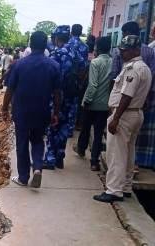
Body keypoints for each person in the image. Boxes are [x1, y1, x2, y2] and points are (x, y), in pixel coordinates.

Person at [94, 35, 152, 203]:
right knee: (128, 153)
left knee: (116, 154)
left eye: (125, 50)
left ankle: (114, 190)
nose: (122, 53)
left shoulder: (133, 69)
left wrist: (115, 118)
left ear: (135, 50)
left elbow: (127, 95)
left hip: (124, 115)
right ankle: (125, 186)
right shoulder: (144, 68)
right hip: (136, 113)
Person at [2, 31, 61, 188]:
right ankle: (37, 168)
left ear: (30, 44)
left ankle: (23, 177)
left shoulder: (19, 65)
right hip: (42, 111)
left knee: (22, 143)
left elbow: (10, 89)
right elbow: (57, 93)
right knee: (37, 140)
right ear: (45, 46)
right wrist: (56, 112)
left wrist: (4, 109)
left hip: (21, 111)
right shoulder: (54, 66)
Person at [112, 22, 155, 172]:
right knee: (133, 142)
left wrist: (115, 115)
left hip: (124, 105)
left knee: (118, 149)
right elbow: (152, 78)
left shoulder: (127, 61)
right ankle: (131, 173)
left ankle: (114, 188)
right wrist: (147, 98)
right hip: (142, 102)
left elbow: (115, 77)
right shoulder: (150, 53)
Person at [75, 37, 112, 171]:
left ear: (97, 48)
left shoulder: (95, 63)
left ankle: (81, 148)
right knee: (98, 134)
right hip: (105, 104)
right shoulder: (113, 62)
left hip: (92, 102)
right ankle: (94, 162)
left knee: (85, 127)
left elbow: (93, 84)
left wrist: (87, 100)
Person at [43, 25, 76, 170]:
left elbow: (49, 76)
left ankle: (50, 159)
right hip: (71, 96)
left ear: (56, 38)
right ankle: (60, 158)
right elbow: (83, 71)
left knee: (53, 124)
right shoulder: (76, 53)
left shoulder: (55, 54)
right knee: (64, 127)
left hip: (56, 95)